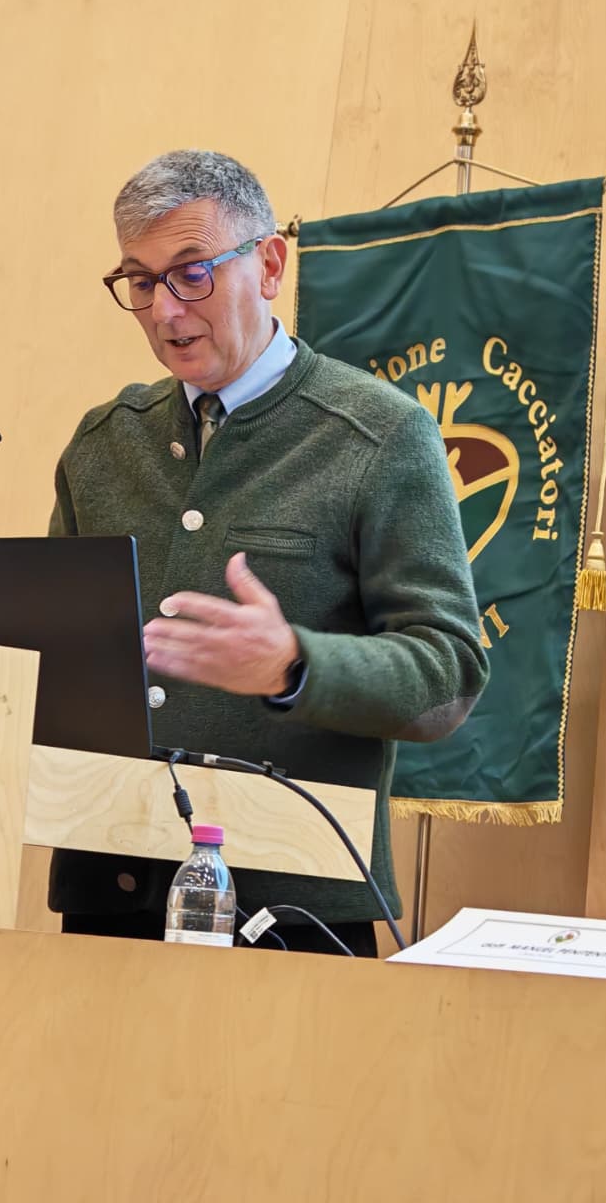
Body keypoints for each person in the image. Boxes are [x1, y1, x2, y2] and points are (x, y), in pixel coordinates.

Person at [48, 150, 488, 955]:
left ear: (271, 265)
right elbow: (58, 656)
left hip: (294, 907)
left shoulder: (379, 435)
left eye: (192, 273)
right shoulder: (103, 444)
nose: (165, 310)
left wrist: (295, 666)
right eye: (141, 281)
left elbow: (449, 672)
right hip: (110, 891)